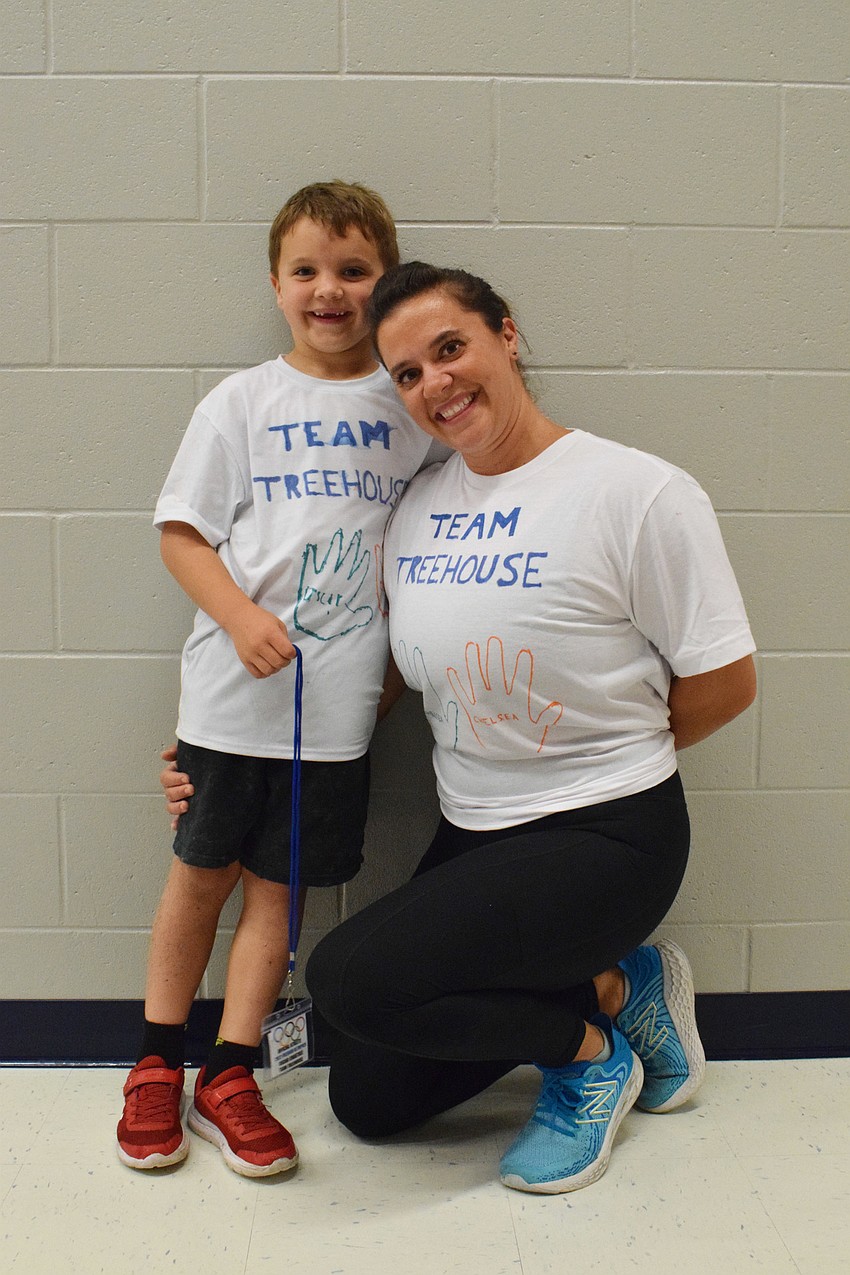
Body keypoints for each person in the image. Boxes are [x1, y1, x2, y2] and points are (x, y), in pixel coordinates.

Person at [162, 261, 756, 1195]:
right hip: (475, 832)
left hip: (608, 830)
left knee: (351, 976)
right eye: (406, 372)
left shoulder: (633, 491)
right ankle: (617, 984)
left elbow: (727, 683)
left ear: (506, 336)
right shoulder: (418, 509)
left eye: (451, 349)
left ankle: (589, 1052)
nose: (435, 384)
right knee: (368, 1097)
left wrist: (605, 755)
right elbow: (367, 663)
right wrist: (230, 747)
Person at [116, 184, 437, 1178]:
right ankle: (157, 1061)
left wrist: (383, 686)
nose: (329, 291)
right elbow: (182, 533)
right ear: (275, 283)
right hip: (229, 699)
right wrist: (243, 617)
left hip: (335, 719)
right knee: (199, 880)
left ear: (383, 283)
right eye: (307, 270)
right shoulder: (244, 400)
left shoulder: (411, 407)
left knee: (275, 896)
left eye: (352, 271)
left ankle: (231, 1069)